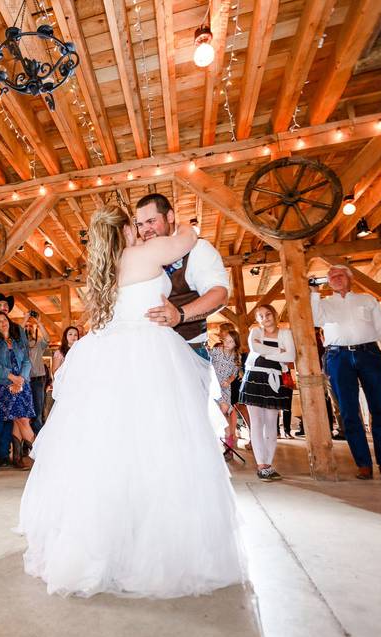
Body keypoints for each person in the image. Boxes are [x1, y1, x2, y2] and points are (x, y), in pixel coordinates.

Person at [18, 206, 244, 598]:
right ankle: (149, 543)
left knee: (109, 449)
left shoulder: (103, 272)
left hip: (106, 357)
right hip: (148, 352)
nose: (142, 230)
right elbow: (187, 238)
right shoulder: (146, 253)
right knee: (159, 445)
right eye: (135, 225)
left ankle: (105, 544)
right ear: (125, 229)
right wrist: (183, 222)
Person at [311, 265, 381, 482]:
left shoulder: (367, 300)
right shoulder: (324, 304)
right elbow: (315, 320)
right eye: (331, 276)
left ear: (350, 278)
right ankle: (363, 464)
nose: (335, 278)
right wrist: (314, 293)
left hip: (368, 353)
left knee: (380, 408)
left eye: (340, 275)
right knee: (349, 412)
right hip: (337, 357)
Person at [134, 194, 229, 360]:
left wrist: (180, 315)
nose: (145, 229)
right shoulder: (140, 254)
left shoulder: (198, 249)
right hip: (147, 351)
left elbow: (220, 295)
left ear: (169, 217)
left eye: (151, 221)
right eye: (140, 224)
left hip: (188, 350)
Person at [239, 305, 295, 481]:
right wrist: (279, 351)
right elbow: (256, 350)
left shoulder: (285, 333)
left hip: (274, 379)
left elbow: (291, 357)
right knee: (256, 423)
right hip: (254, 378)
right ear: (258, 319)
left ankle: (269, 464)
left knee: (271, 423)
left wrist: (268, 353)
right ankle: (261, 465)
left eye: (268, 314)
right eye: (261, 316)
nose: (265, 318)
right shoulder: (255, 332)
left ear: (275, 314)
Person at [0, 312, 36, 469]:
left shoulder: (18, 337)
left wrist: (21, 379)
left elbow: (26, 360)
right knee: (20, 419)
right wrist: (12, 378)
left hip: (22, 383)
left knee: (21, 420)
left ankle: (17, 458)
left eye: (5, 320)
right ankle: (41, 455)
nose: (3, 323)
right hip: (4, 385)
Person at [209, 323, 242, 450]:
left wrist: (229, 381)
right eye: (226, 340)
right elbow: (207, 363)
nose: (227, 344)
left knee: (224, 411)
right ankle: (216, 440)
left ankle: (229, 442)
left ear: (236, 344)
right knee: (215, 411)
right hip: (214, 385)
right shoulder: (216, 351)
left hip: (225, 387)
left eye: (231, 342)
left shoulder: (236, 356)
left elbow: (234, 373)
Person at [24, 313, 49, 433]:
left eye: (30, 326)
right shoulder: (19, 344)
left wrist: (38, 322)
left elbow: (47, 338)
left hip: (38, 381)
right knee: (24, 414)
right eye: (26, 326)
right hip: (24, 382)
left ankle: (39, 443)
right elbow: (15, 335)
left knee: (37, 413)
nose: (28, 328)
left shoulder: (39, 344)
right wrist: (25, 319)